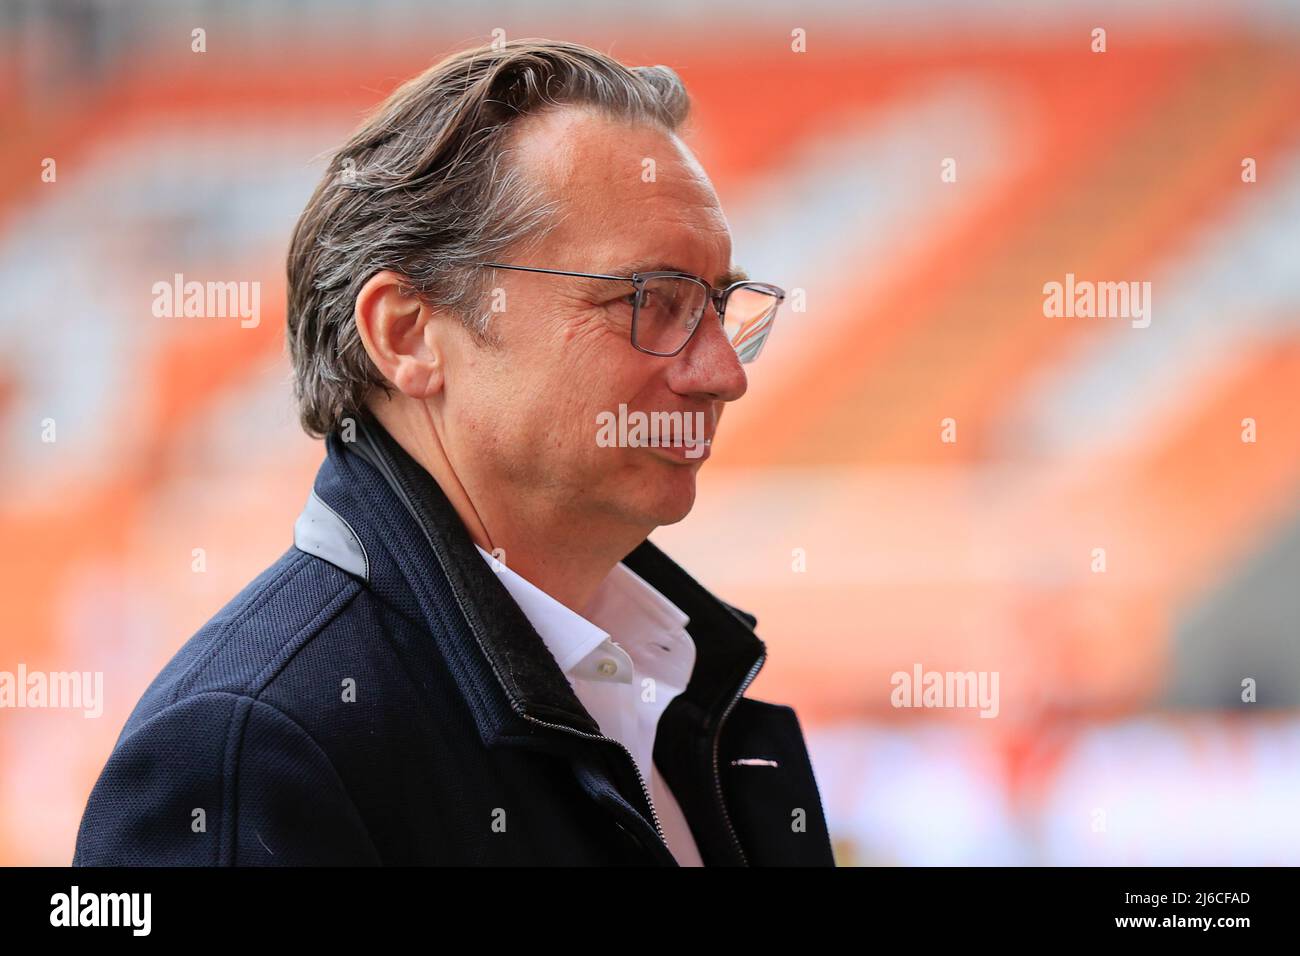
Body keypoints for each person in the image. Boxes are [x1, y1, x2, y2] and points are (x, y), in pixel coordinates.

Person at [72, 37, 834, 866]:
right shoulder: (250, 747)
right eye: (653, 300)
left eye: (722, 305)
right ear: (408, 334)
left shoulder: (706, 699)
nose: (724, 373)